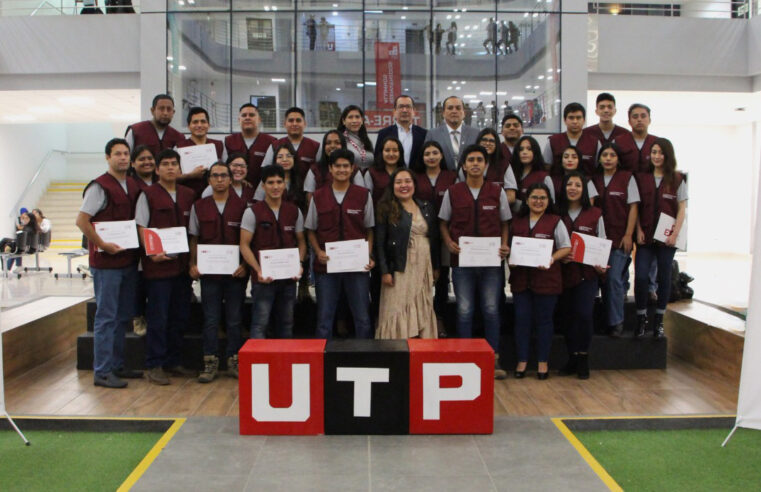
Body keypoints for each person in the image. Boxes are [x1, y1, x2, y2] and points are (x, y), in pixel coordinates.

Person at [438, 144, 511, 379]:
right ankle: (464, 358)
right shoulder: (453, 191)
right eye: (471, 160)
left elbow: (505, 222)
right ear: (464, 165)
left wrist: (504, 244)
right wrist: (448, 242)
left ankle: (493, 359)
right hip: (462, 262)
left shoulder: (496, 192)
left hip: (491, 262)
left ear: (486, 165)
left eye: (480, 159)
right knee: (465, 310)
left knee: (490, 310)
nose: (476, 163)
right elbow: (442, 222)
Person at [75, 138, 141, 388]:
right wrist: (102, 245)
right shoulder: (99, 187)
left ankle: (116, 366)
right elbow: (82, 221)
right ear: (107, 157)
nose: (123, 158)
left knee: (122, 317)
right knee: (106, 317)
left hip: (126, 260)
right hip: (106, 264)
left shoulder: (132, 184)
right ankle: (102, 371)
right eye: (117, 154)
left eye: (126, 153)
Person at [135, 149, 196, 385]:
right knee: (158, 317)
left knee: (179, 316)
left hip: (181, 267)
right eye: (166, 164)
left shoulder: (189, 194)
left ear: (180, 169)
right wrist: (152, 252)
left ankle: (174, 361)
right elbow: (141, 227)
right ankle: (155, 364)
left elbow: (193, 232)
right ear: (157, 169)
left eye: (174, 164)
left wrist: (191, 262)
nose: (171, 168)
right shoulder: (147, 194)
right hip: (158, 268)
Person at [305, 149, 375, 339]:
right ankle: (322, 363)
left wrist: (367, 255)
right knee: (324, 318)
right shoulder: (318, 196)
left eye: (346, 166)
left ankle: (364, 356)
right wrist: (318, 251)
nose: (342, 170)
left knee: (362, 317)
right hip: (326, 267)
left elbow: (369, 229)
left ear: (353, 168)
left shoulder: (363, 195)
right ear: (330, 169)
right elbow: (310, 229)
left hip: (357, 268)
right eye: (338, 166)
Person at [188, 161, 248, 383]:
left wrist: (245, 265)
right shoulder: (199, 206)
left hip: (235, 275)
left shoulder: (243, 207)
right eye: (215, 176)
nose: (220, 179)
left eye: (224, 175)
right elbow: (194, 238)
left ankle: (234, 359)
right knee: (211, 319)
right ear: (209, 180)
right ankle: (210, 361)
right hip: (209, 275)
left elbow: (247, 241)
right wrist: (191, 264)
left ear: (231, 179)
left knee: (234, 319)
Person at [509, 182, 571, 380]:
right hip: (521, 280)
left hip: (547, 279)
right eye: (534, 197)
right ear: (527, 200)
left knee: (544, 322)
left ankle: (543, 362)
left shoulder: (555, 221)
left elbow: (566, 247)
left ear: (548, 201)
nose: (538, 201)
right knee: (522, 321)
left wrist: (552, 258)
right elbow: (509, 247)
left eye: (542, 198)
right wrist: (511, 258)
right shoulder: (517, 221)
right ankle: (522, 361)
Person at [241, 165, 308, 341]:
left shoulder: (294, 211)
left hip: (288, 280)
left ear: (285, 184)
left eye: (279, 182)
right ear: (263, 186)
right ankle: (258, 366)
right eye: (270, 183)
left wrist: (299, 264)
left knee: (286, 324)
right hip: (263, 281)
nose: (275, 186)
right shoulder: (252, 212)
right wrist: (257, 270)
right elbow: (244, 245)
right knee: (260, 324)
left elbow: (301, 241)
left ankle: (284, 366)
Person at [375, 168, 439, 339]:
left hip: (423, 265)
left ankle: (422, 345)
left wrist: (436, 266)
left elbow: (435, 238)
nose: (404, 185)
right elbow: (379, 243)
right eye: (399, 182)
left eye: (407, 181)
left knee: (422, 303)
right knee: (396, 306)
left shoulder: (426, 207)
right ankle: (396, 346)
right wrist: (385, 271)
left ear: (414, 184)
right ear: (392, 186)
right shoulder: (386, 208)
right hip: (398, 267)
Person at [634, 138, 687, 339]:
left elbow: (682, 208)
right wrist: (638, 229)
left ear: (668, 155)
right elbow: (636, 207)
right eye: (654, 152)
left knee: (664, 278)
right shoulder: (642, 178)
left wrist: (674, 233)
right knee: (640, 276)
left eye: (661, 152)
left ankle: (658, 320)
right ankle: (641, 318)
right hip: (645, 237)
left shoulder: (677, 178)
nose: (657, 156)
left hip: (666, 240)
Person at [556, 172, 607, 379]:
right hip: (563, 274)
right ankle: (572, 358)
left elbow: (602, 241)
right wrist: (560, 256)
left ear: (584, 190)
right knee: (567, 317)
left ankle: (584, 357)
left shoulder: (595, 214)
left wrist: (601, 264)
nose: (573, 188)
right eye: (569, 184)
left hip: (587, 275)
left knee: (584, 315)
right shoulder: (557, 213)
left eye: (578, 185)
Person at [591, 143, 640, 337]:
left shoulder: (627, 178)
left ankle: (616, 322)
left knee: (613, 280)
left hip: (619, 240)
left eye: (612, 155)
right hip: (598, 241)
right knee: (596, 281)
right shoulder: (593, 180)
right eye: (605, 155)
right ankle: (599, 323)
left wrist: (628, 234)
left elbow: (634, 207)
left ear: (618, 159)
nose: (608, 158)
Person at [413, 141, 457, 338]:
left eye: (435, 152)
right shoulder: (416, 178)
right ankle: (420, 320)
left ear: (441, 156)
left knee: (441, 278)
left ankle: (439, 317)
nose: (431, 156)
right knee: (420, 277)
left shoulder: (452, 177)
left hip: (445, 233)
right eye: (427, 153)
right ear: (422, 158)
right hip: (421, 235)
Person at [175, 107, 225, 199]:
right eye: (195, 122)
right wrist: (190, 175)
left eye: (203, 121)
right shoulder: (179, 147)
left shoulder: (219, 145)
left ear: (208, 125)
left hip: (214, 197)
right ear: (188, 126)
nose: (199, 125)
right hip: (186, 196)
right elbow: (173, 177)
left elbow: (227, 171)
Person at [224, 103, 277, 187]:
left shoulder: (271, 141)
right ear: (239, 119)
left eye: (251, 115)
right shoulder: (228, 141)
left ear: (259, 119)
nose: (247, 118)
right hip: (235, 189)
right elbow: (224, 167)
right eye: (244, 115)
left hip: (263, 191)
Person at [262, 107, 320, 181]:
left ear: (305, 124)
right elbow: (266, 171)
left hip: (306, 191)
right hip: (280, 191)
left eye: (298, 120)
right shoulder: (274, 145)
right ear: (285, 124)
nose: (294, 124)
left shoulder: (316, 147)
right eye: (291, 120)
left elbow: (320, 172)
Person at [424, 96, 479, 171]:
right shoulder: (432, 134)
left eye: (458, 108)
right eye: (450, 108)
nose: (454, 111)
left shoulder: (475, 133)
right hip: (443, 180)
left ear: (464, 113)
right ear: (443, 113)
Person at [544, 103, 600, 176]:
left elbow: (599, 168)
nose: (575, 121)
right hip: (559, 185)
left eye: (578, 118)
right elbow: (546, 167)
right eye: (571, 118)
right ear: (564, 120)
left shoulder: (595, 142)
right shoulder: (553, 141)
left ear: (584, 120)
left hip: (586, 185)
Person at [465, 128, 518, 205]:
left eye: (491, 141)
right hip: (470, 208)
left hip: (495, 211)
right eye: (484, 140)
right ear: (478, 142)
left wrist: (491, 205)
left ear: (497, 144)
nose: (487, 143)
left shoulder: (504, 165)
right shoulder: (467, 162)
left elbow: (511, 196)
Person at [374, 96, 427, 170]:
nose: (404, 110)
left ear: (414, 111)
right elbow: (378, 159)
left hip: (417, 178)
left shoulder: (423, 134)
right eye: (401, 106)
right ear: (394, 111)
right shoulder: (384, 133)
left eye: (408, 107)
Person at [255, 143, 307, 213]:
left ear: (294, 159)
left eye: (288, 156)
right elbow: (258, 203)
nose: (285, 160)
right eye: (280, 157)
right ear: (275, 160)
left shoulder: (300, 181)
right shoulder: (267, 179)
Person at [511, 135, 555, 212]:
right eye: (521, 149)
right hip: (515, 221)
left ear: (535, 152)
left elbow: (551, 204)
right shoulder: (510, 175)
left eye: (529, 149)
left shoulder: (544, 177)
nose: (524, 152)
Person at [305, 130, 347, 205]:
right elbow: (310, 196)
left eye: (337, 143)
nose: (332, 146)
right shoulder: (315, 169)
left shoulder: (353, 169)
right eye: (328, 143)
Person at [613, 103, 658, 173]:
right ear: (629, 122)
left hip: (651, 183)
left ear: (649, 120)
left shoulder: (658, 142)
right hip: (625, 182)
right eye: (635, 116)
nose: (639, 119)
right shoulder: (618, 142)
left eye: (643, 116)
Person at [365, 137, 406, 204]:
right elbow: (367, 200)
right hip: (378, 213)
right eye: (387, 150)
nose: (391, 154)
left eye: (395, 150)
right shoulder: (371, 173)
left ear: (400, 153)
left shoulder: (405, 173)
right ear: (381, 152)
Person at [337, 105, 375, 171]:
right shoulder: (339, 140)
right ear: (343, 121)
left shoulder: (366, 141)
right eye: (350, 117)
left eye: (357, 117)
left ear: (362, 120)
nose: (354, 121)